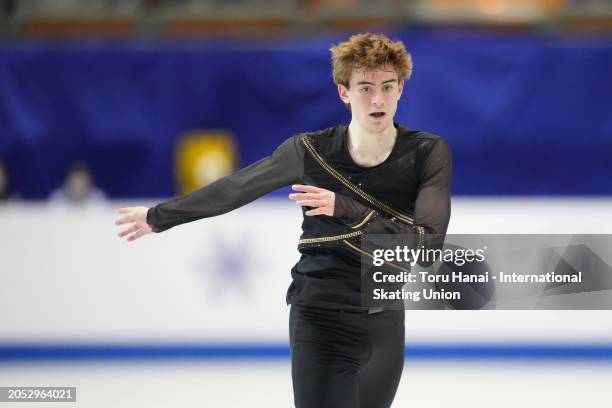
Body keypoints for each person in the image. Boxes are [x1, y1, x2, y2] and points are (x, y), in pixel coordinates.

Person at [115, 33, 451, 408]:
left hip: (387, 323)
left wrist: (346, 209)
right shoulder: (310, 152)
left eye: (388, 87)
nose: (378, 99)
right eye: (366, 88)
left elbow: (427, 248)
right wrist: (158, 217)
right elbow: (237, 187)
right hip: (322, 320)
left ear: (401, 88)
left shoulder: (426, 152)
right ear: (344, 92)